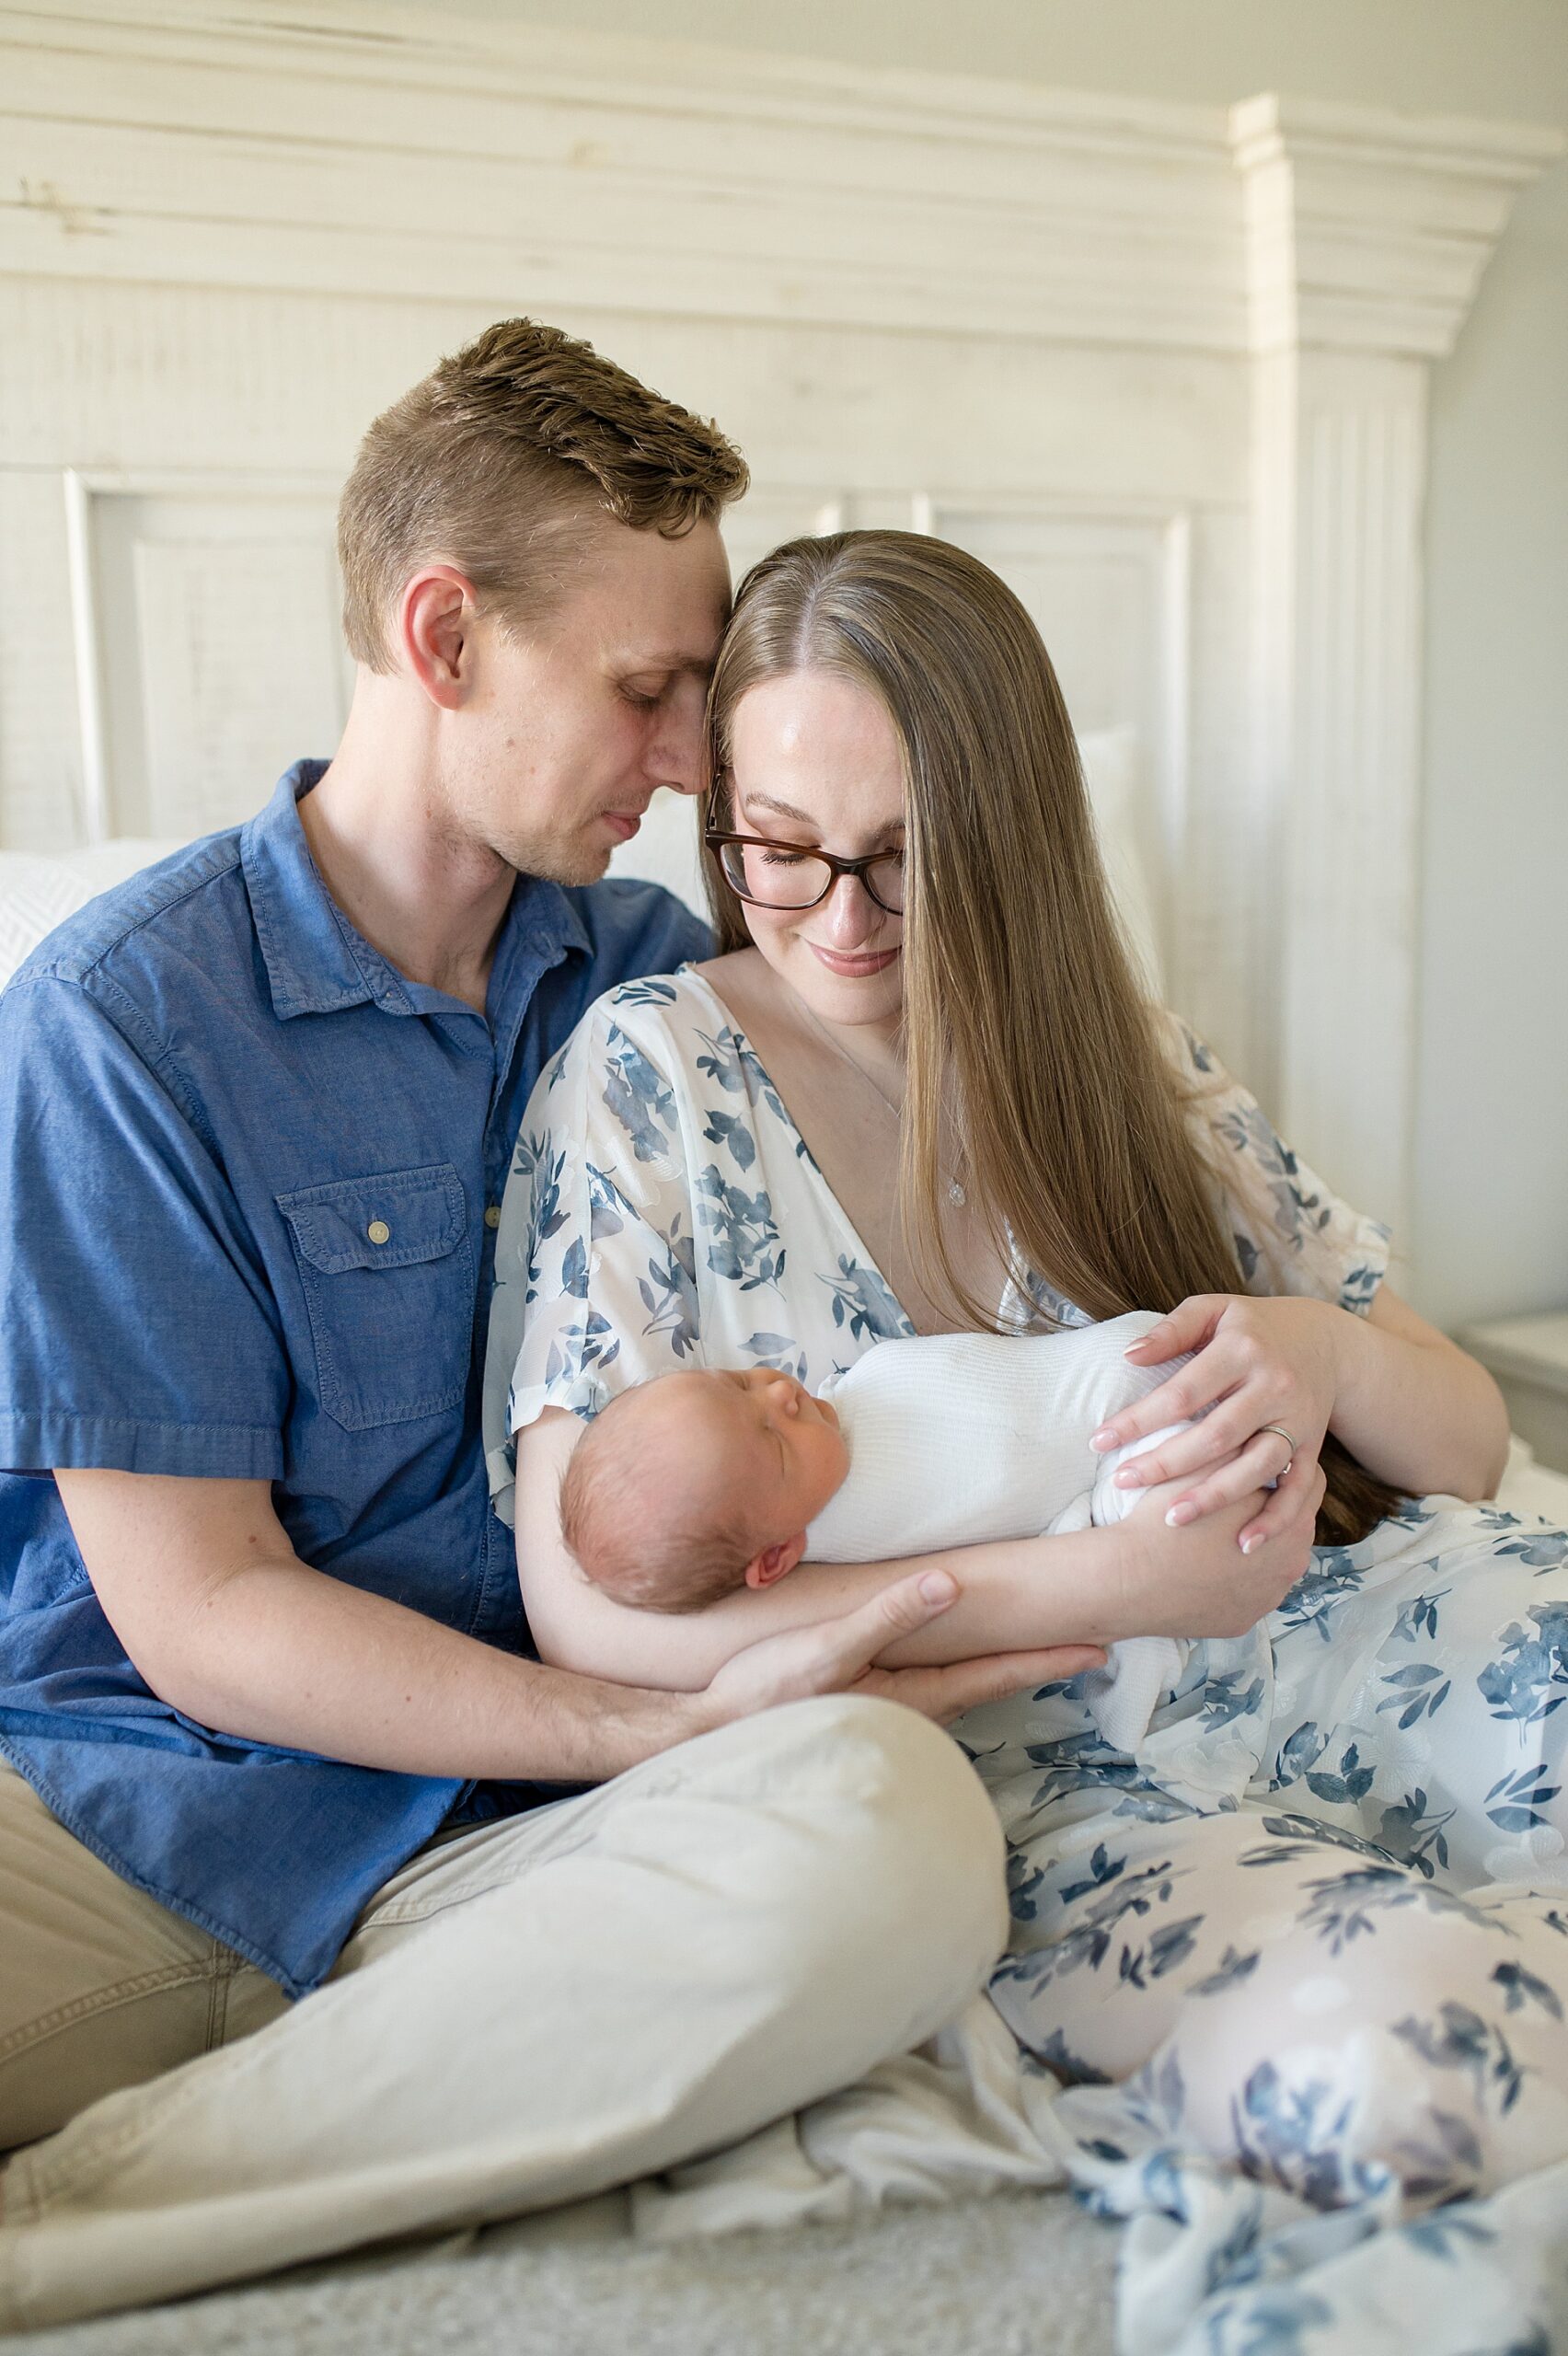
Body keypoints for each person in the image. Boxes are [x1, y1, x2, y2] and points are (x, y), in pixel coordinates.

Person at [0, 325, 1127, 2331]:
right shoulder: (119, 1023)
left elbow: (967, 1123)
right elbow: (200, 1615)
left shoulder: (652, 980)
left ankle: (118, 2198)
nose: (697, 762)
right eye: (651, 691)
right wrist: (659, 1723)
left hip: (524, 1841)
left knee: (896, 1833)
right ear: (445, 637)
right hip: (141, 1803)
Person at [487, 527, 1568, 2335]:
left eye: (906, 863)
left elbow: (1460, 1441)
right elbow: (588, 1615)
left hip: (1359, 1630)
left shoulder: (1115, 1054)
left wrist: (1311, 1346)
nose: (840, 921)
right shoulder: (649, 1075)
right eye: (780, 852)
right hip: (1040, 1777)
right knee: (1427, 2074)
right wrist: (1092, 1579)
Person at [549, 1318, 1207, 1756]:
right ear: (778, 1556)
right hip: (1133, 1436)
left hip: (1140, 1362)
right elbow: (1009, 1495)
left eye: (737, 1382)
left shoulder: (840, 1413)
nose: (781, 1393)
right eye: (776, 1445)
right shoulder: (855, 1533)